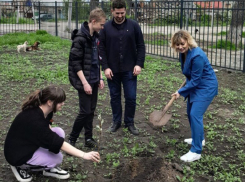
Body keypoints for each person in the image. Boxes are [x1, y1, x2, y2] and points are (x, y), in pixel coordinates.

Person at [4, 86, 100, 182]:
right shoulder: (35, 120)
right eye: (60, 102)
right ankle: (19, 166)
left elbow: (48, 128)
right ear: (49, 102)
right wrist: (84, 155)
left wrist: (49, 136)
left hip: (28, 143)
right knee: (57, 159)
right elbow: (59, 143)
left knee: (58, 132)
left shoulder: (45, 110)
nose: (63, 103)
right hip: (17, 154)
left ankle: (47, 168)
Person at [170, 30, 218, 162]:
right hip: (195, 85)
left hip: (206, 86)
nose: (180, 47)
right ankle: (199, 139)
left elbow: (196, 80)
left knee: (195, 114)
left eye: (182, 44)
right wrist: (185, 87)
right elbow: (189, 74)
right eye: (177, 44)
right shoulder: (183, 54)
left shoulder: (197, 55)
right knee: (190, 111)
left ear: (188, 41)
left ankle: (196, 151)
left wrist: (180, 92)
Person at [99, 0, 145, 135]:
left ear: (126, 11)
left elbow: (141, 46)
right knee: (115, 96)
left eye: (122, 13)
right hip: (112, 70)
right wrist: (105, 67)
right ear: (112, 11)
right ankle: (116, 121)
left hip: (130, 69)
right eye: (117, 13)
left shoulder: (134, 26)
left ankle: (129, 122)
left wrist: (139, 64)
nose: (120, 15)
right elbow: (101, 48)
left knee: (131, 97)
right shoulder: (105, 28)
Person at [68, 8, 106, 148]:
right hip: (84, 80)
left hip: (94, 79)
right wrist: (85, 83)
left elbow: (98, 59)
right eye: (101, 25)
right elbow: (75, 64)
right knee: (84, 111)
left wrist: (100, 78)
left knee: (91, 110)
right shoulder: (80, 39)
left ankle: (88, 139)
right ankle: (72, 139)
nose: (102, 28)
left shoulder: (95, 36)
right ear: (93, 21)